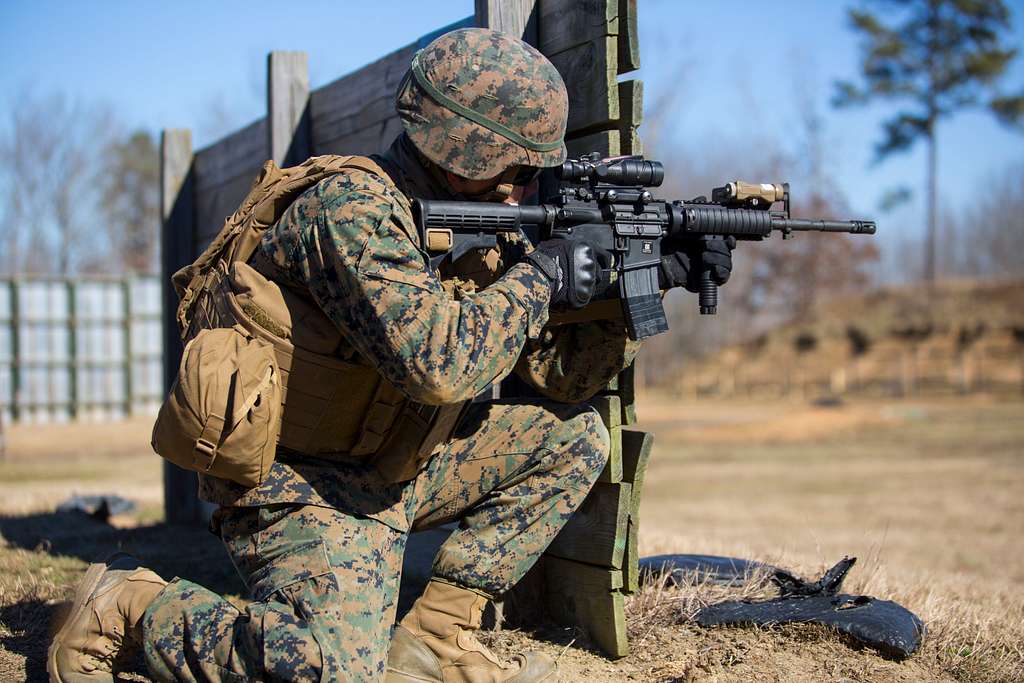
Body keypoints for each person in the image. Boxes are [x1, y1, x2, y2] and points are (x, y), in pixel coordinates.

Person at [48, 28, 732, 683]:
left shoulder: (469, 220)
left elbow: (559, 376)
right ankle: (129, 605)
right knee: (324, 671)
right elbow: (440, 365)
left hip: (393, 465)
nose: (527, 183)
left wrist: (641, 281)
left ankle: (437, 641)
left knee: (574, 437)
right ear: (471, 149)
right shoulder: (351, 212)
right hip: (298, 484)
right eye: (521, 163)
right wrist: (543, 277)